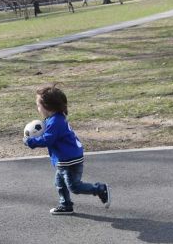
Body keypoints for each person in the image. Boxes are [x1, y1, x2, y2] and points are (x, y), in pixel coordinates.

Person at [24, 85, 110, 215]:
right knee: (59, 182)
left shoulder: (55, 122)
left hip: (69, 160)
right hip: (66, 158)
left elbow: (48, 140)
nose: (38, 108)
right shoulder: (54, 118)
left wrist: (30, 141)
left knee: (74, 186)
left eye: (38, 105)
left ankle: (100, 189)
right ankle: (65, 205)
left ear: (47, 107)